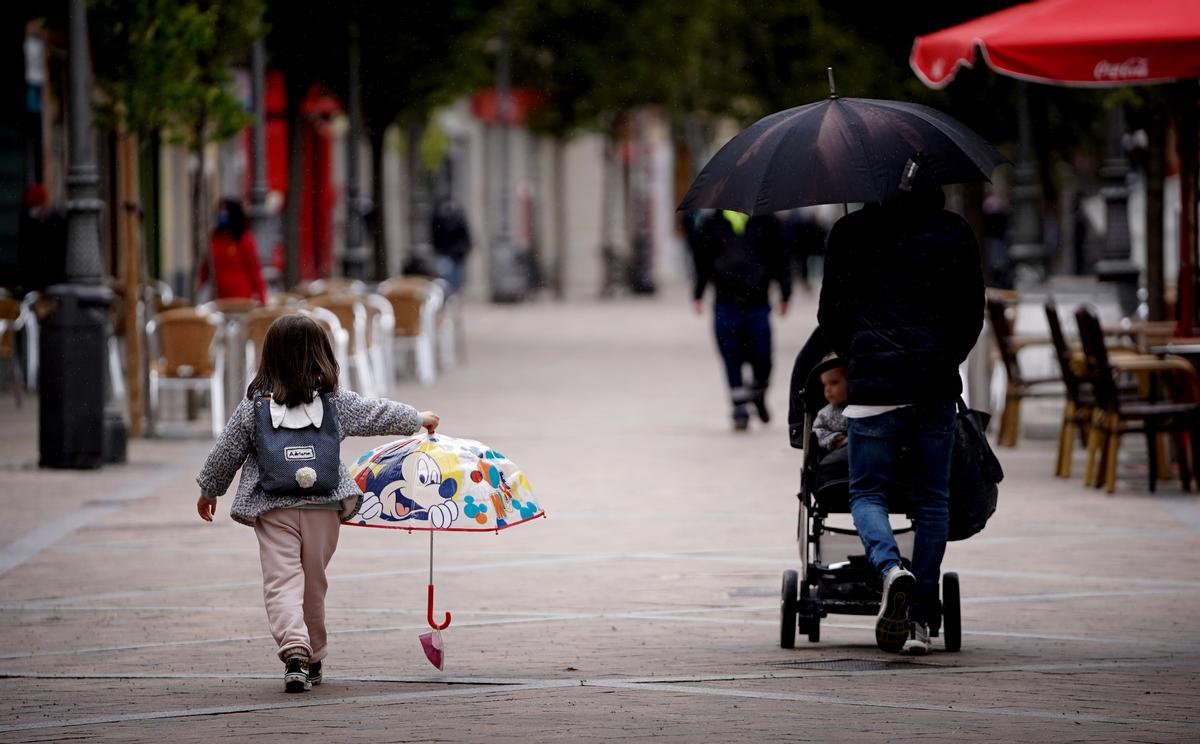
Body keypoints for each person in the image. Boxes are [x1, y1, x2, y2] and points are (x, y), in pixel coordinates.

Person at [195, 314, 439, 692]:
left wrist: (210, 488)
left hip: (273, 507)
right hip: (324, 505)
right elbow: (377, 413)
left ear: (269, 358)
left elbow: (226, 451)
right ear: (321, 355)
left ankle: (295, 648)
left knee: (281, 582)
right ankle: (314, 656)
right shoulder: (334, 404)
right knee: (314, 583)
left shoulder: (254, 407)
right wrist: (416, 418)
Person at [816, 157, 984, 655]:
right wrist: (944, 358)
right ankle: (921, 621)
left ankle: (890, 569)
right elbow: (970, 311)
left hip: (872, 388)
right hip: (933, 384)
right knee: (933, 499)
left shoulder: (849, 231)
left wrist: (859, 358)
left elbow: (831, 315)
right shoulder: (954, 231)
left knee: (868, 493)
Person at [691, 210, 792, 431]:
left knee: (762, 356)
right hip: (725, 302)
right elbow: (702, 261)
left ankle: (758, 393)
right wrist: (698, 293)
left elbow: (780, 258)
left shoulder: (767, 222)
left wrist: (786, 292)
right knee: (730, 353)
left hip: (757, 301)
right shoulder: (711, 224)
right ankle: (739, 408)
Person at [200, 199, 267, 303]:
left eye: (224, 211)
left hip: (241, 299)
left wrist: (262, 298)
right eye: (219, 211)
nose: (221, 214)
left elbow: (254, 270)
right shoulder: (214, 239)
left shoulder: (245, 239)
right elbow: (206, 269)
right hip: (219, 298)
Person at [430, 196, 473, 294]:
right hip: (450, 253)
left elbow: (465, 233)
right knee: (448, 280)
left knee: (451, 280)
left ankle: (451, 297)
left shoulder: (443, 214)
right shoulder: (455, 214)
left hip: (452, 253)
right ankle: (451, 297)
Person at [812, 361, 849, 453]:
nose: (827, 389)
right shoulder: (824, 414)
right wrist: (838, 440)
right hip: (838, 451)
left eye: (834, 382)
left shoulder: (863, 408)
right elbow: (817, 432)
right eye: (824, 384)